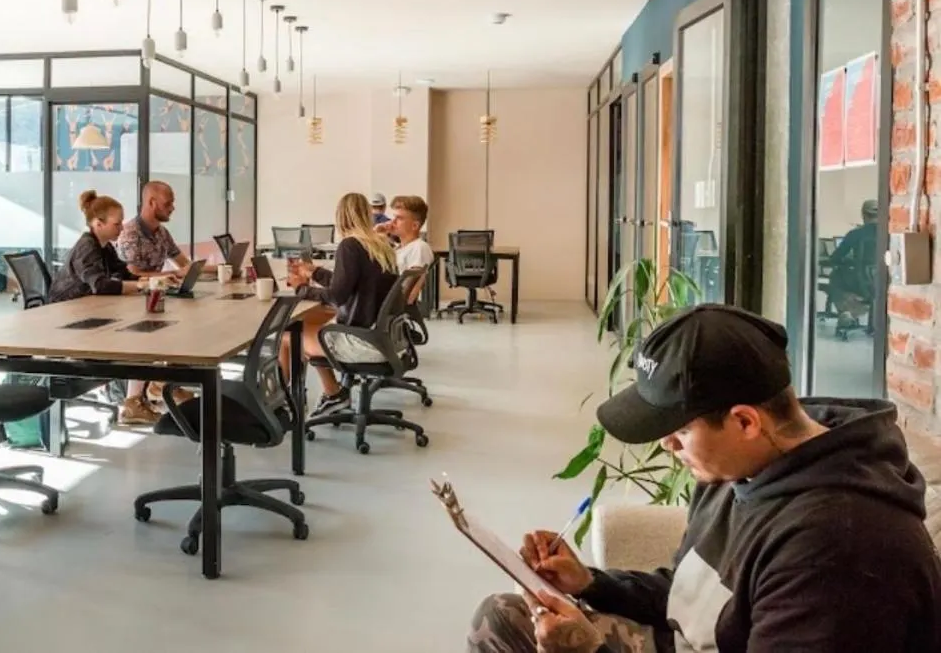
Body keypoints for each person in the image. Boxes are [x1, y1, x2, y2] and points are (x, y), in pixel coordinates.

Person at [468, 304, 941, 653]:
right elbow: (694, 594)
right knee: (502, 617)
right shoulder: (742, 468)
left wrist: (588, 651)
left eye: (678, 433)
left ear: (745, 421)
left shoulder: (839, 547)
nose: (666, 448)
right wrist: (590, 582)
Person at [48, 190, 162, 426]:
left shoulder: (103, 246)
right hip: (67, 320)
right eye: (117, 224)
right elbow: (99, 285)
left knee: (147, 329)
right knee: (138, 333)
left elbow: (122, 272)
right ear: (98, 224)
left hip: (89, 311)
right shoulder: (87, 247)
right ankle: (138, 398)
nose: (122, 229)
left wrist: (148, 280)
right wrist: (140, 286)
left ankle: (145, 393)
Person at [285, 192, 398, 417]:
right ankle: (333, 394)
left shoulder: (349, 245)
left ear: (341, 217)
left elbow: (337, 296)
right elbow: (350, 283)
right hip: (381, 336)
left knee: (288, 335)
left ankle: (284, 403)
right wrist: (314, 271)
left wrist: (300, 289)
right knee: (311, 322)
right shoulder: (380, 245)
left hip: (360, 341)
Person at [117, 180, 191, 278]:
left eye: (172, 203)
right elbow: (133, 276)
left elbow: (186, 265)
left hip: (157, 291)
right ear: (152, 203)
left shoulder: (162, 232)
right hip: (136, 292)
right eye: (167, 204)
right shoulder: (130, 235)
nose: (172, 208)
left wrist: (217, 268)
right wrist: (175, 274)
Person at [825, 198, 878, 334]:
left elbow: (835, 258)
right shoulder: (888, 233)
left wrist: (848, 261)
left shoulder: (855, 234)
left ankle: (847, 311)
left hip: (862, 283)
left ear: (864, 215)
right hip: (882, 283)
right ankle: (854, 311)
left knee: (836, 276)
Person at [390, 195, 433, 304]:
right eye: (393, 217)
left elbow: (408, 294)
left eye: (399, 218)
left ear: (415, 225)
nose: (392, 222)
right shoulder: (397, 248)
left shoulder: (419, 247)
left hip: (391, 306)